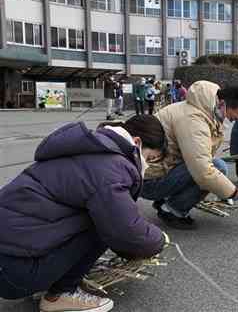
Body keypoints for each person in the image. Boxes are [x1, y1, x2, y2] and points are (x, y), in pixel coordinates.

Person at [0, 115, 169, 312]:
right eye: (149, 158)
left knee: (101, 213)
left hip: (8, 259)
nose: (146, 165)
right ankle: (62, 294)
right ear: (137, 142)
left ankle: (51, 277)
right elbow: (125, 231)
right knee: (103, 223)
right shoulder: (112, 166)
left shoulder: (88, 148)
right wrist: (158, 239)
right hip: (15, 272)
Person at [142, 81, 238, 230]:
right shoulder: (194, 120)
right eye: (231, 117)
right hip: (149, 181)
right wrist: (236, 194)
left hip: (158, 171)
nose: (231, 121)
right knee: (215, 168)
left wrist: (223, 191)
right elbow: (203, 170)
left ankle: (166, 199)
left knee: (215, 166)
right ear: (222, 103)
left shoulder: (202, 110)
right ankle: (171, 210)